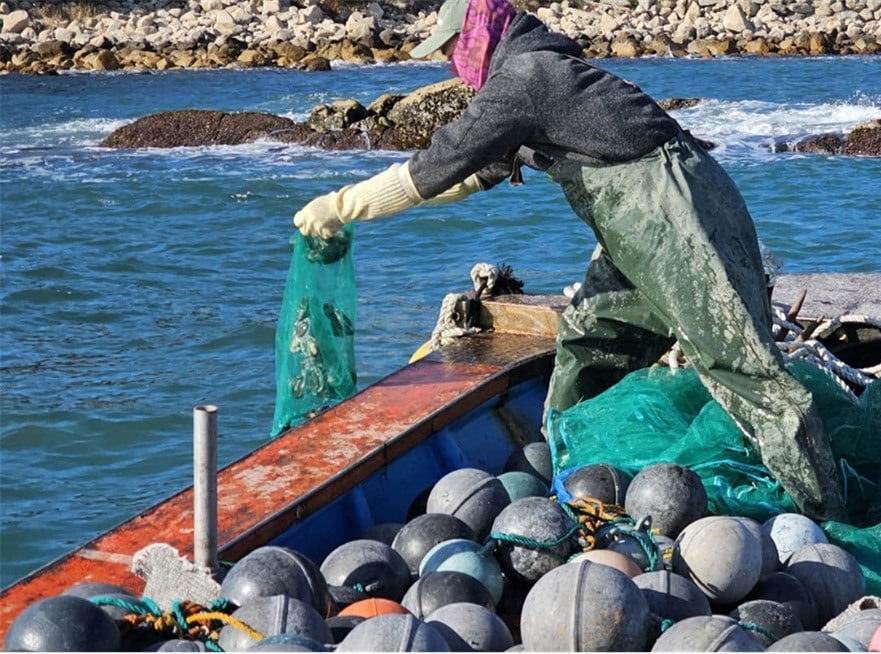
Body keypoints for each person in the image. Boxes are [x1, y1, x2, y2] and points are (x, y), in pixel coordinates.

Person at [292, 0, 847, 522]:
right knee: (594, 340)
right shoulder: (526, 80)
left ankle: (826, 512)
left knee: (738, 365)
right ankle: (574, 478)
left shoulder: (526, 79)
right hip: (637, 224)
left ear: (481, 34)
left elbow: (440, 164)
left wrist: (342, 206)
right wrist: (354, 207)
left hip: (679, 213)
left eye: (451, 48)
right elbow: (467, 174)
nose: (450, 63)